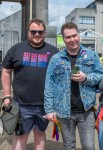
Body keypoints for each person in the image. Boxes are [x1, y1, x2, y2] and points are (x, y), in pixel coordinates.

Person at [44, 22, 103, 150]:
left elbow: (101, 76)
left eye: (74, 35)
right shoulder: (56, 59)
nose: (72, 39)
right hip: (63, 112)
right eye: (68, 37)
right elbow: (49, 85)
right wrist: (49, 110)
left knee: (88, 146)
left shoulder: (91, 55)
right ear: (64, 38)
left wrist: (86, 78)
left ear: (79, 35)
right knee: (69, 146)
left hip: (86, 111)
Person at [1, 18, 59, 150]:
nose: (37, 35)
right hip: (21, 103)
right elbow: (6, 71)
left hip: (45, 104)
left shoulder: (54, 52)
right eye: (33, 32)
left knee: (40, 133)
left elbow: (61, 76)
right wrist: (7, 95)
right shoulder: (16, 49)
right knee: (21, 135)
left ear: (44, 33)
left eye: (40, 32)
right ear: (28, 32)